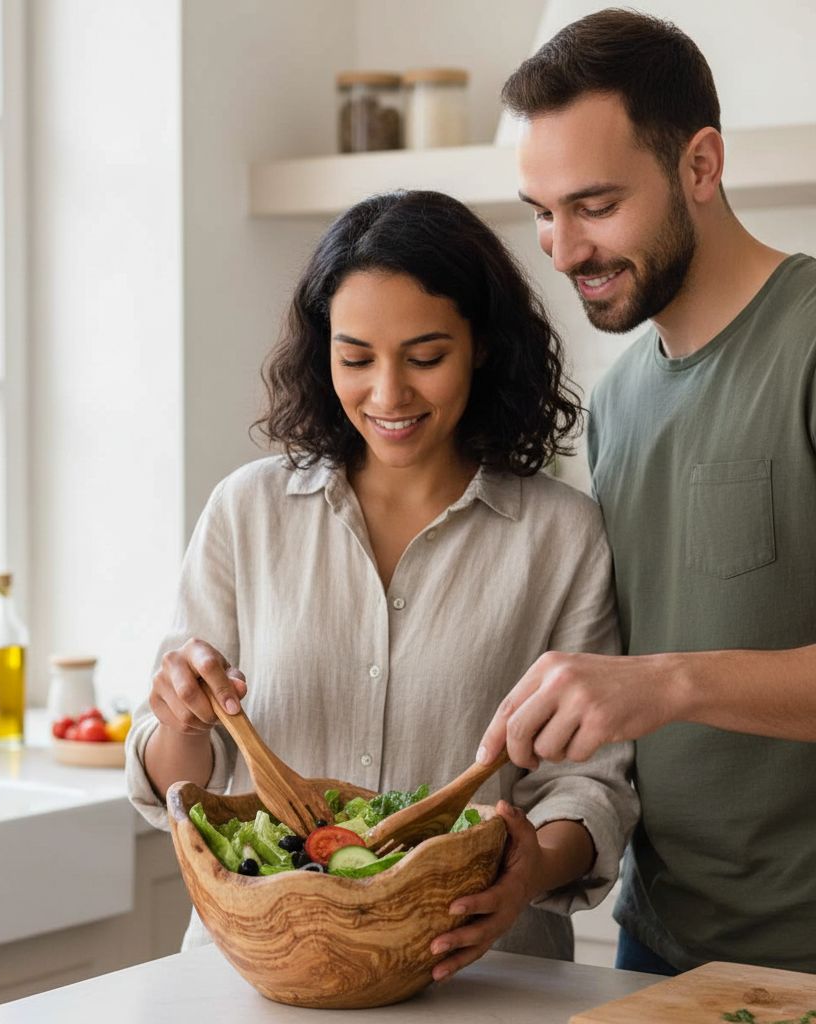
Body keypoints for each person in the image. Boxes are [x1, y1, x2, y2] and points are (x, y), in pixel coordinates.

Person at [126, 189, 637, 981]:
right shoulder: (247, 511)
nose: (388, 394)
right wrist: (181, 716)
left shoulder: (560, 534)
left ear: (483, 347)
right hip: (263, 977)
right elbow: (179, 787)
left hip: (478, 974)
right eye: (356, 358)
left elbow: (590, 785)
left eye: (426, 357)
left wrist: (528, 872)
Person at [477, 8, 816, 977]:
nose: (561, 248)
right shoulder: (618, 403)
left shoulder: (807, 343)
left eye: (593, 204)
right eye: (539, 210)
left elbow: (656, 680)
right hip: (656, 941)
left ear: (700, 166)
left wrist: (664, 683)